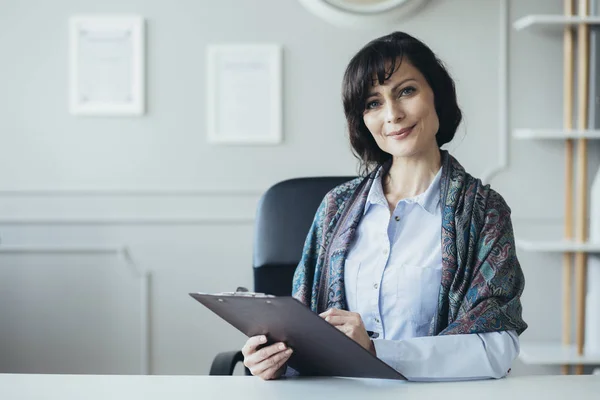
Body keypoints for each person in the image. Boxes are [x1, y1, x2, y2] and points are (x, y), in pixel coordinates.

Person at [241, 31, 527, 381]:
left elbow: (497, 350)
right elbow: (303, 332)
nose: (392, 114)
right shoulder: (335, 207)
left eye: (406, 91)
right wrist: (273, 360)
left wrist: (379, 352)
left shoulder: (484, 212)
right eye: (373, 103)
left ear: (437, 95)